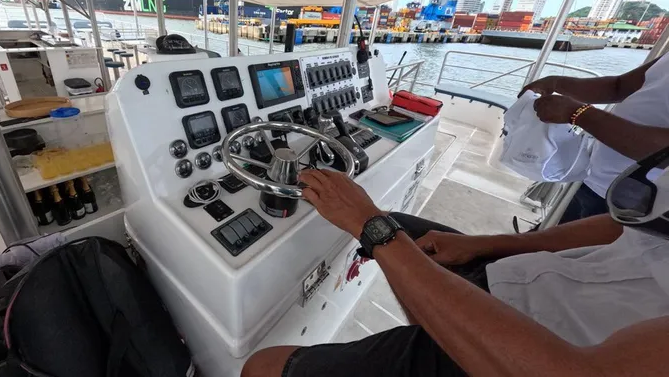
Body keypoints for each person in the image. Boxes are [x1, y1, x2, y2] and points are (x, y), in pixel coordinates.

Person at [241, 161, 669, 377]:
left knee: (264, 366)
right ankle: (434, 325)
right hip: (531, 281)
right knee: (408, 232)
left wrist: (370, 226)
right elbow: (626, 226)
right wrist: (484, 245)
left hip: (526, 354)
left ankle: (441, 338)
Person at [520, 52, 669, 222]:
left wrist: (578, 114)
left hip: (634, 206)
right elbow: (618, 87)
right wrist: (555, 83)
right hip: (590, 178)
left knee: (569, 247)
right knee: (551, 237)